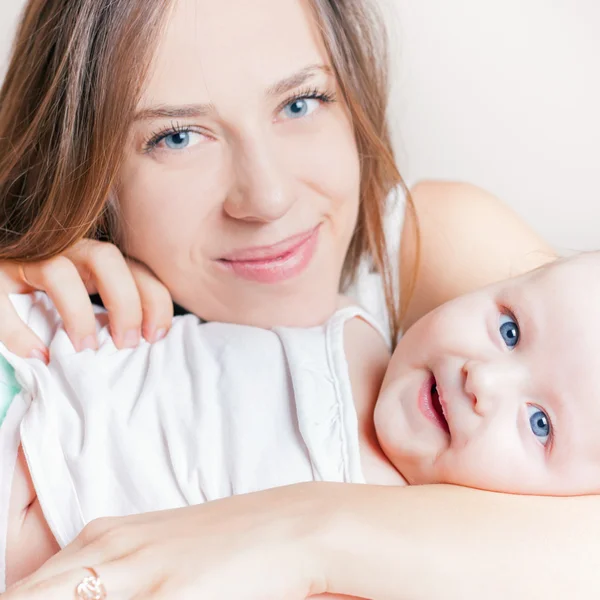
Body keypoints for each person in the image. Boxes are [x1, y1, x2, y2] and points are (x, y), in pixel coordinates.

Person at [4, 0, 595, 599]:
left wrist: (306, 533)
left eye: (299, 102)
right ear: (78, 161)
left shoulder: (428, 248)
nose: (267, 197)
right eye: (177, 136)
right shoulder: (57, 312)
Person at [2, 251, 599, 594]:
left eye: (541, 424)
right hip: (28, 356)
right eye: (509, 329)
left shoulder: (381, 569)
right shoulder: (342, 315)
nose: (483, 381)